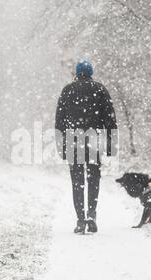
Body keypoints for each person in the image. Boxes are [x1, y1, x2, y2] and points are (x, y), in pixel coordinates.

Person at [55, 60, 118, 234]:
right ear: (91, 73)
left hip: (73, 140)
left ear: (77, 73)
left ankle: (80, 220)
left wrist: (61, 146)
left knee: (77, 182)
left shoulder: (67, 90)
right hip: (94, 140)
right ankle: (91, 214)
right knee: (93, 179)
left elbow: (59, 121)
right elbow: (110, 119)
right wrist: (112, 146)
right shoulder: (100, 89)